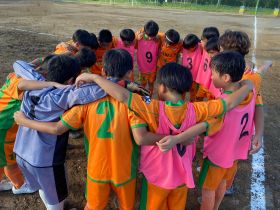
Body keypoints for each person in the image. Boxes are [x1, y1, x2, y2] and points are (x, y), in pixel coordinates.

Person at [72, 60, 253, 210]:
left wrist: (95, 77)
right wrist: (248, 86)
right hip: (181, 179)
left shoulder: (152, 108)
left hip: (156, 178)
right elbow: (228, 104)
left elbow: (123, 96)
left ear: (163, 88)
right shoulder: (197, 110)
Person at [14, 49, 163, 210]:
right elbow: (141, 135)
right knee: (126, 206)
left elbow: (59, 127)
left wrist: (23, 121)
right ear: (129, 73)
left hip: (95, 168)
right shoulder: (134, 103)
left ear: (104, 71)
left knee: (92, 205)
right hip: (124, 169)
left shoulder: (82, 102)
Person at [158, 51, 261, 210]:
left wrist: (177, 139)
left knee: (208, 189)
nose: (211, 77)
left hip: (217, 155)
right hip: (236, 151)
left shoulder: (222, 105)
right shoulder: (250, 90)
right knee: (221, 184)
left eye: (213, 74)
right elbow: (259, 106)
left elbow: (204, 126)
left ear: (226, 78)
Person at [0, 56, 65, 193]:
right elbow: (22, 85)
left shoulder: (17, 73)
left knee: (1, 157)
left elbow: (29, 65)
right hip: (3, 127)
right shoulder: (22, 82)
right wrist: (50, 84)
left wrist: (42, 59)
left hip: (3, 123)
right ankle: (20, 186)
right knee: (10, 160)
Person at [135, 20, 161, 95]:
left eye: (152, 37)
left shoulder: (157, 39)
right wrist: (137, 37)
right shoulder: (139, 38)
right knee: (142, 85)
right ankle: (144, 98)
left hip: (153, 69)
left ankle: (150, 97)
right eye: (149, 36)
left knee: (151, 83)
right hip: (142, 70)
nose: (150, 38)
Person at [195, 27, 220, 101]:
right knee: (198, 99)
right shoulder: (204, 48)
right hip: (202, 83)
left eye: (203, 40)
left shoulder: (218, 54)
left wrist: (248, 63)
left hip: (212, 87)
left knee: (211, 106)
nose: (201, 42)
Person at [181, 34, 203, 101]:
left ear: (196, 45)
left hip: (195, 78)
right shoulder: (184, 46)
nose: (188, 49)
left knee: (193, 93)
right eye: (186, 48)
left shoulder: (200, 47)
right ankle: (181, 105)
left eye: (190, 48)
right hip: (184, 75)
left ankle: (192, 105)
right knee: (182, 91)